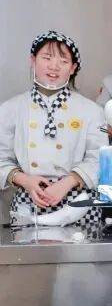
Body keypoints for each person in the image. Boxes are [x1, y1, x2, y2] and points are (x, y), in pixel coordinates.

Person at [0, 30, 104, 228]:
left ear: (72, 68)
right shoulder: (10, 109)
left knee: (81, 248)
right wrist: (25, 180)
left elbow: (99, 158)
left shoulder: (92, 110)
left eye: (63, 61)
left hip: (78, 203)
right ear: (33, 60)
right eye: (47, 58)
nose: (54, 66)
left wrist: (67, 182)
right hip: (28, 201)